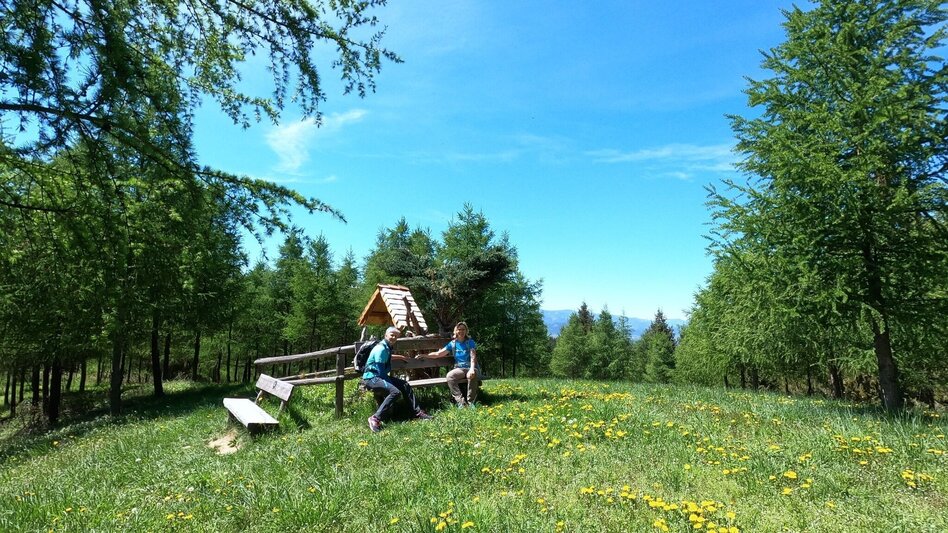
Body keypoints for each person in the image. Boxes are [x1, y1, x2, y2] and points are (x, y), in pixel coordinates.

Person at [362, 326, 433, 432]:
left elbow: (388, 356)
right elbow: (381, 372)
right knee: (395, 392)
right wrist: (391, 385)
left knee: (404, 384)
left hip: (378, 376)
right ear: (386, 335)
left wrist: (401, 357)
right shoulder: (381, 348)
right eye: (392, 335)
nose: (394, 337)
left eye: (396, 336)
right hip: (372, 378)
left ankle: (417, 413)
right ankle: (375, 418)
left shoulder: (386, 347)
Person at [426, 321, 480, 407]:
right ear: (456, 331)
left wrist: (472, 369)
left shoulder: (470, 342)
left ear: (466, 331)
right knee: (450, 376)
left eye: (463, 329)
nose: (461, 331)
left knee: (471, 375)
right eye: (459, 329)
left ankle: (471, 402)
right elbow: (439, 354)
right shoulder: (453, 344)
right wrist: (425, 356)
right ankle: (461, 403)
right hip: (459, 369)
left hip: (471, 367)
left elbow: (473, 356)